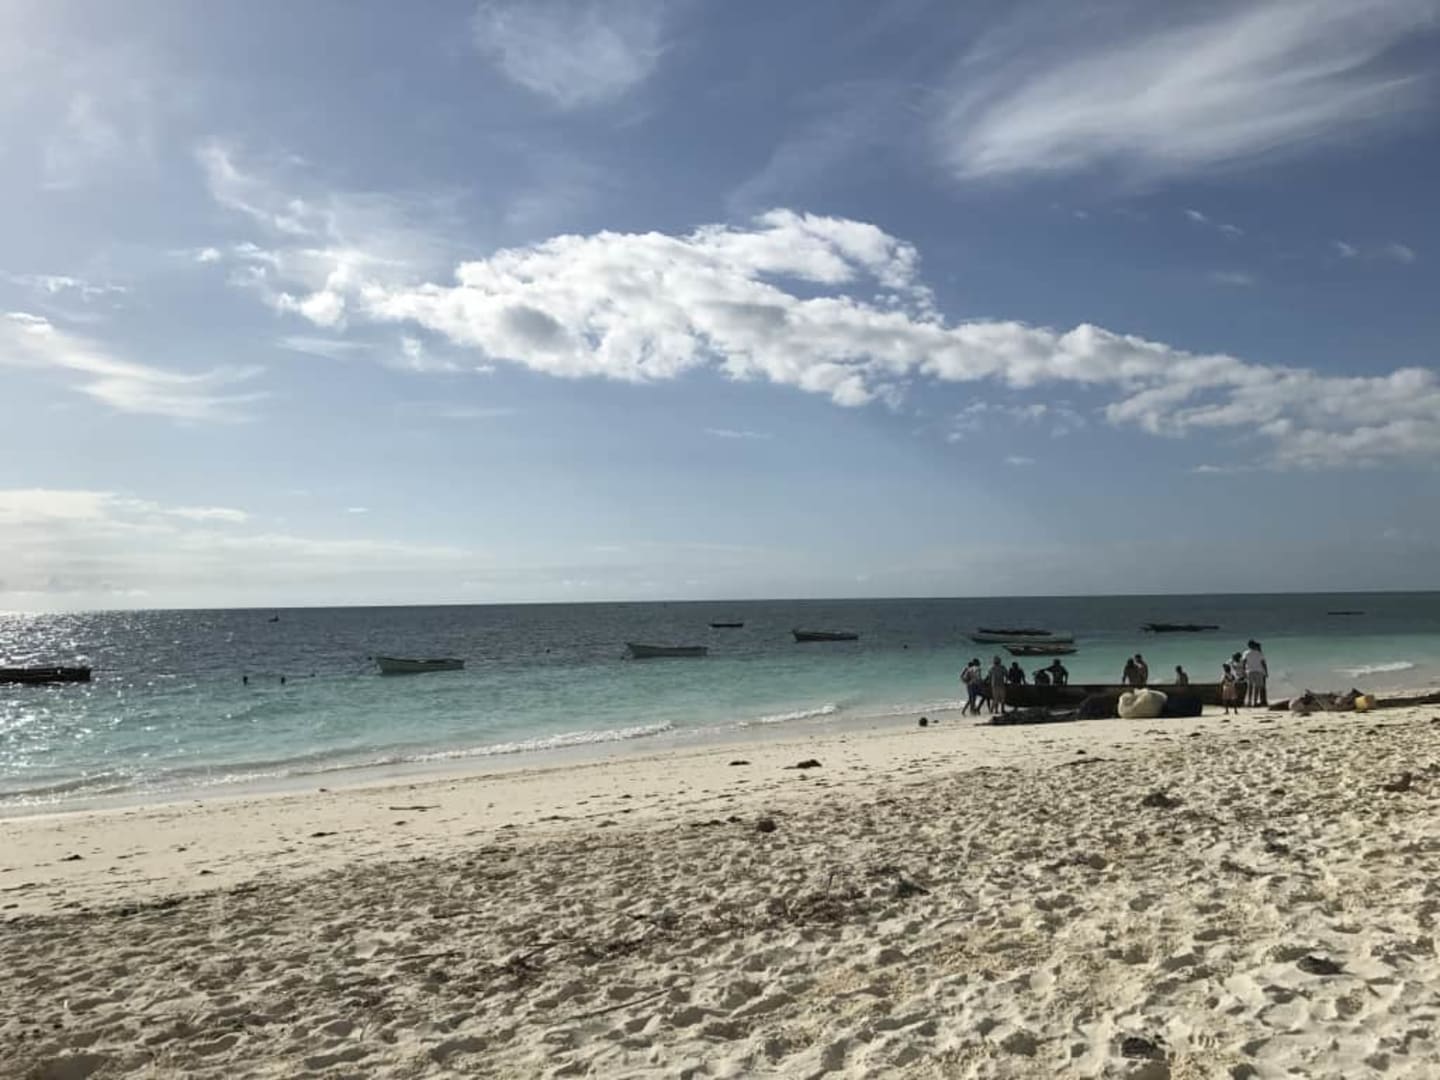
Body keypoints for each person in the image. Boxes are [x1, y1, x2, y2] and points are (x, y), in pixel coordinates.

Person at [1242, 640, 1268, 707]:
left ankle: (1249, 702)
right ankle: (1255, 702)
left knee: (1250, 687)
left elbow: (1244, 662)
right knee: (1257, 688)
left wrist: (1243, 671)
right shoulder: (1259, 653)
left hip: (1249, 671)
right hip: (1259, 671)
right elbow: (1263, 663)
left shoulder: (1246, 653)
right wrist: (1266, 672)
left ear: (1248, 646)